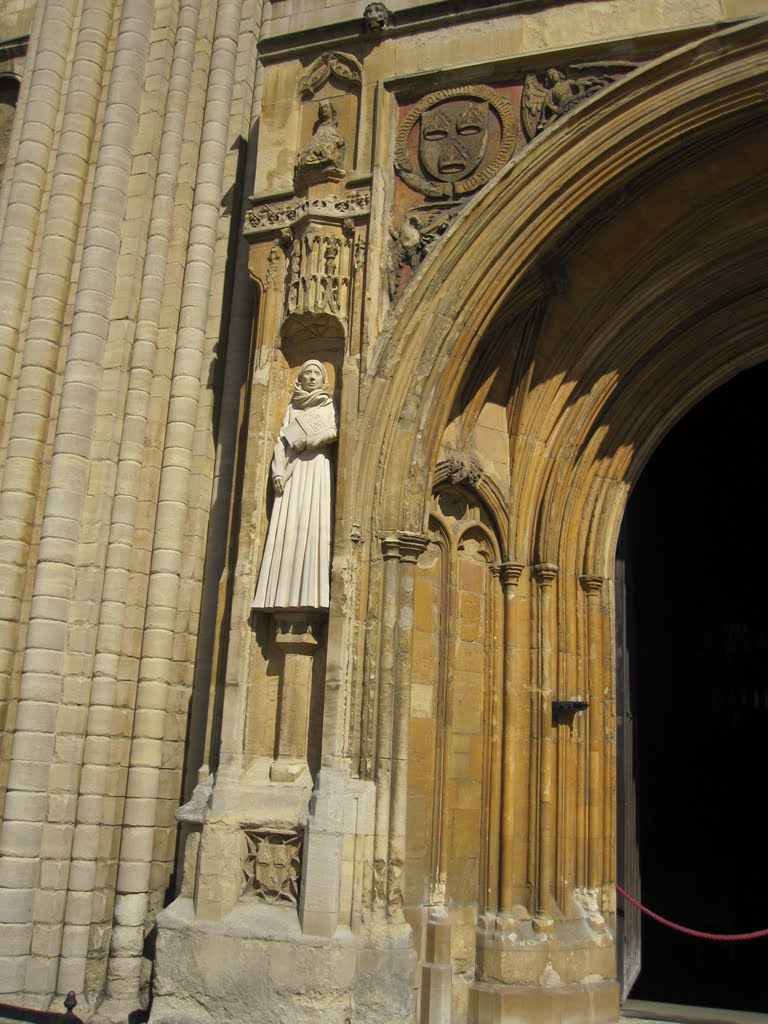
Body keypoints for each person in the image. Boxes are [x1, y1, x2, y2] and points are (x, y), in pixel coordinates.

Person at [252, 360, 338, 611]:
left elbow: (335, 432)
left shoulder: (329, 404)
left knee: (314, 523)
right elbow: (281, 440)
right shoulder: (293, 407)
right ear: (299, 379)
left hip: (317, 466)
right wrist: (277, 472)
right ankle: (280, 592)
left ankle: (312, 592)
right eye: (307, 373)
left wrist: (310, 442)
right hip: (295, 469)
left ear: (323, 380)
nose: (311, 377)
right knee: (291, 523)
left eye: (316, 374)